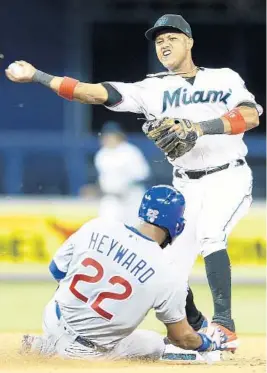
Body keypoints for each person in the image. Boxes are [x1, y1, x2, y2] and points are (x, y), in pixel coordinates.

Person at [5, 14, 262, 346]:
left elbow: (250, 115)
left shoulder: (224, 78)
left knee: (212, 234)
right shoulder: (151, 89)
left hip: (229, 174)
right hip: (186, 182)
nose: (164, 44)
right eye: (158, 41)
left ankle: (224, 324)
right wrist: (38, 75)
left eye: (171, 37)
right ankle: (198, 328)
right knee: (167, 264)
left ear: (190, 42)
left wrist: (198, 128)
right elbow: (90, 93)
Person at [21, 185, 226, 361]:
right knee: (155, 343)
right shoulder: (169, 273)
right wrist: (208, 343)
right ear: (178, 226)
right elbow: (181, 337)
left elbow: (57, 270)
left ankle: (48, 345)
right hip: (85, 352)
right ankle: (61, 350)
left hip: (51, 318)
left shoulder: (98, 225)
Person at [94, 120, 150, 224]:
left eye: (111, 135)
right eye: (106, 136)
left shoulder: (130, 151)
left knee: (132, 230)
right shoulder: (102, 154)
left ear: (119, 136)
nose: (107, 138)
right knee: (106, 227)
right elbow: (103, 179)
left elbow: (142, 175)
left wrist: (125, 187)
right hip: (110, 199)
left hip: (131, 199)